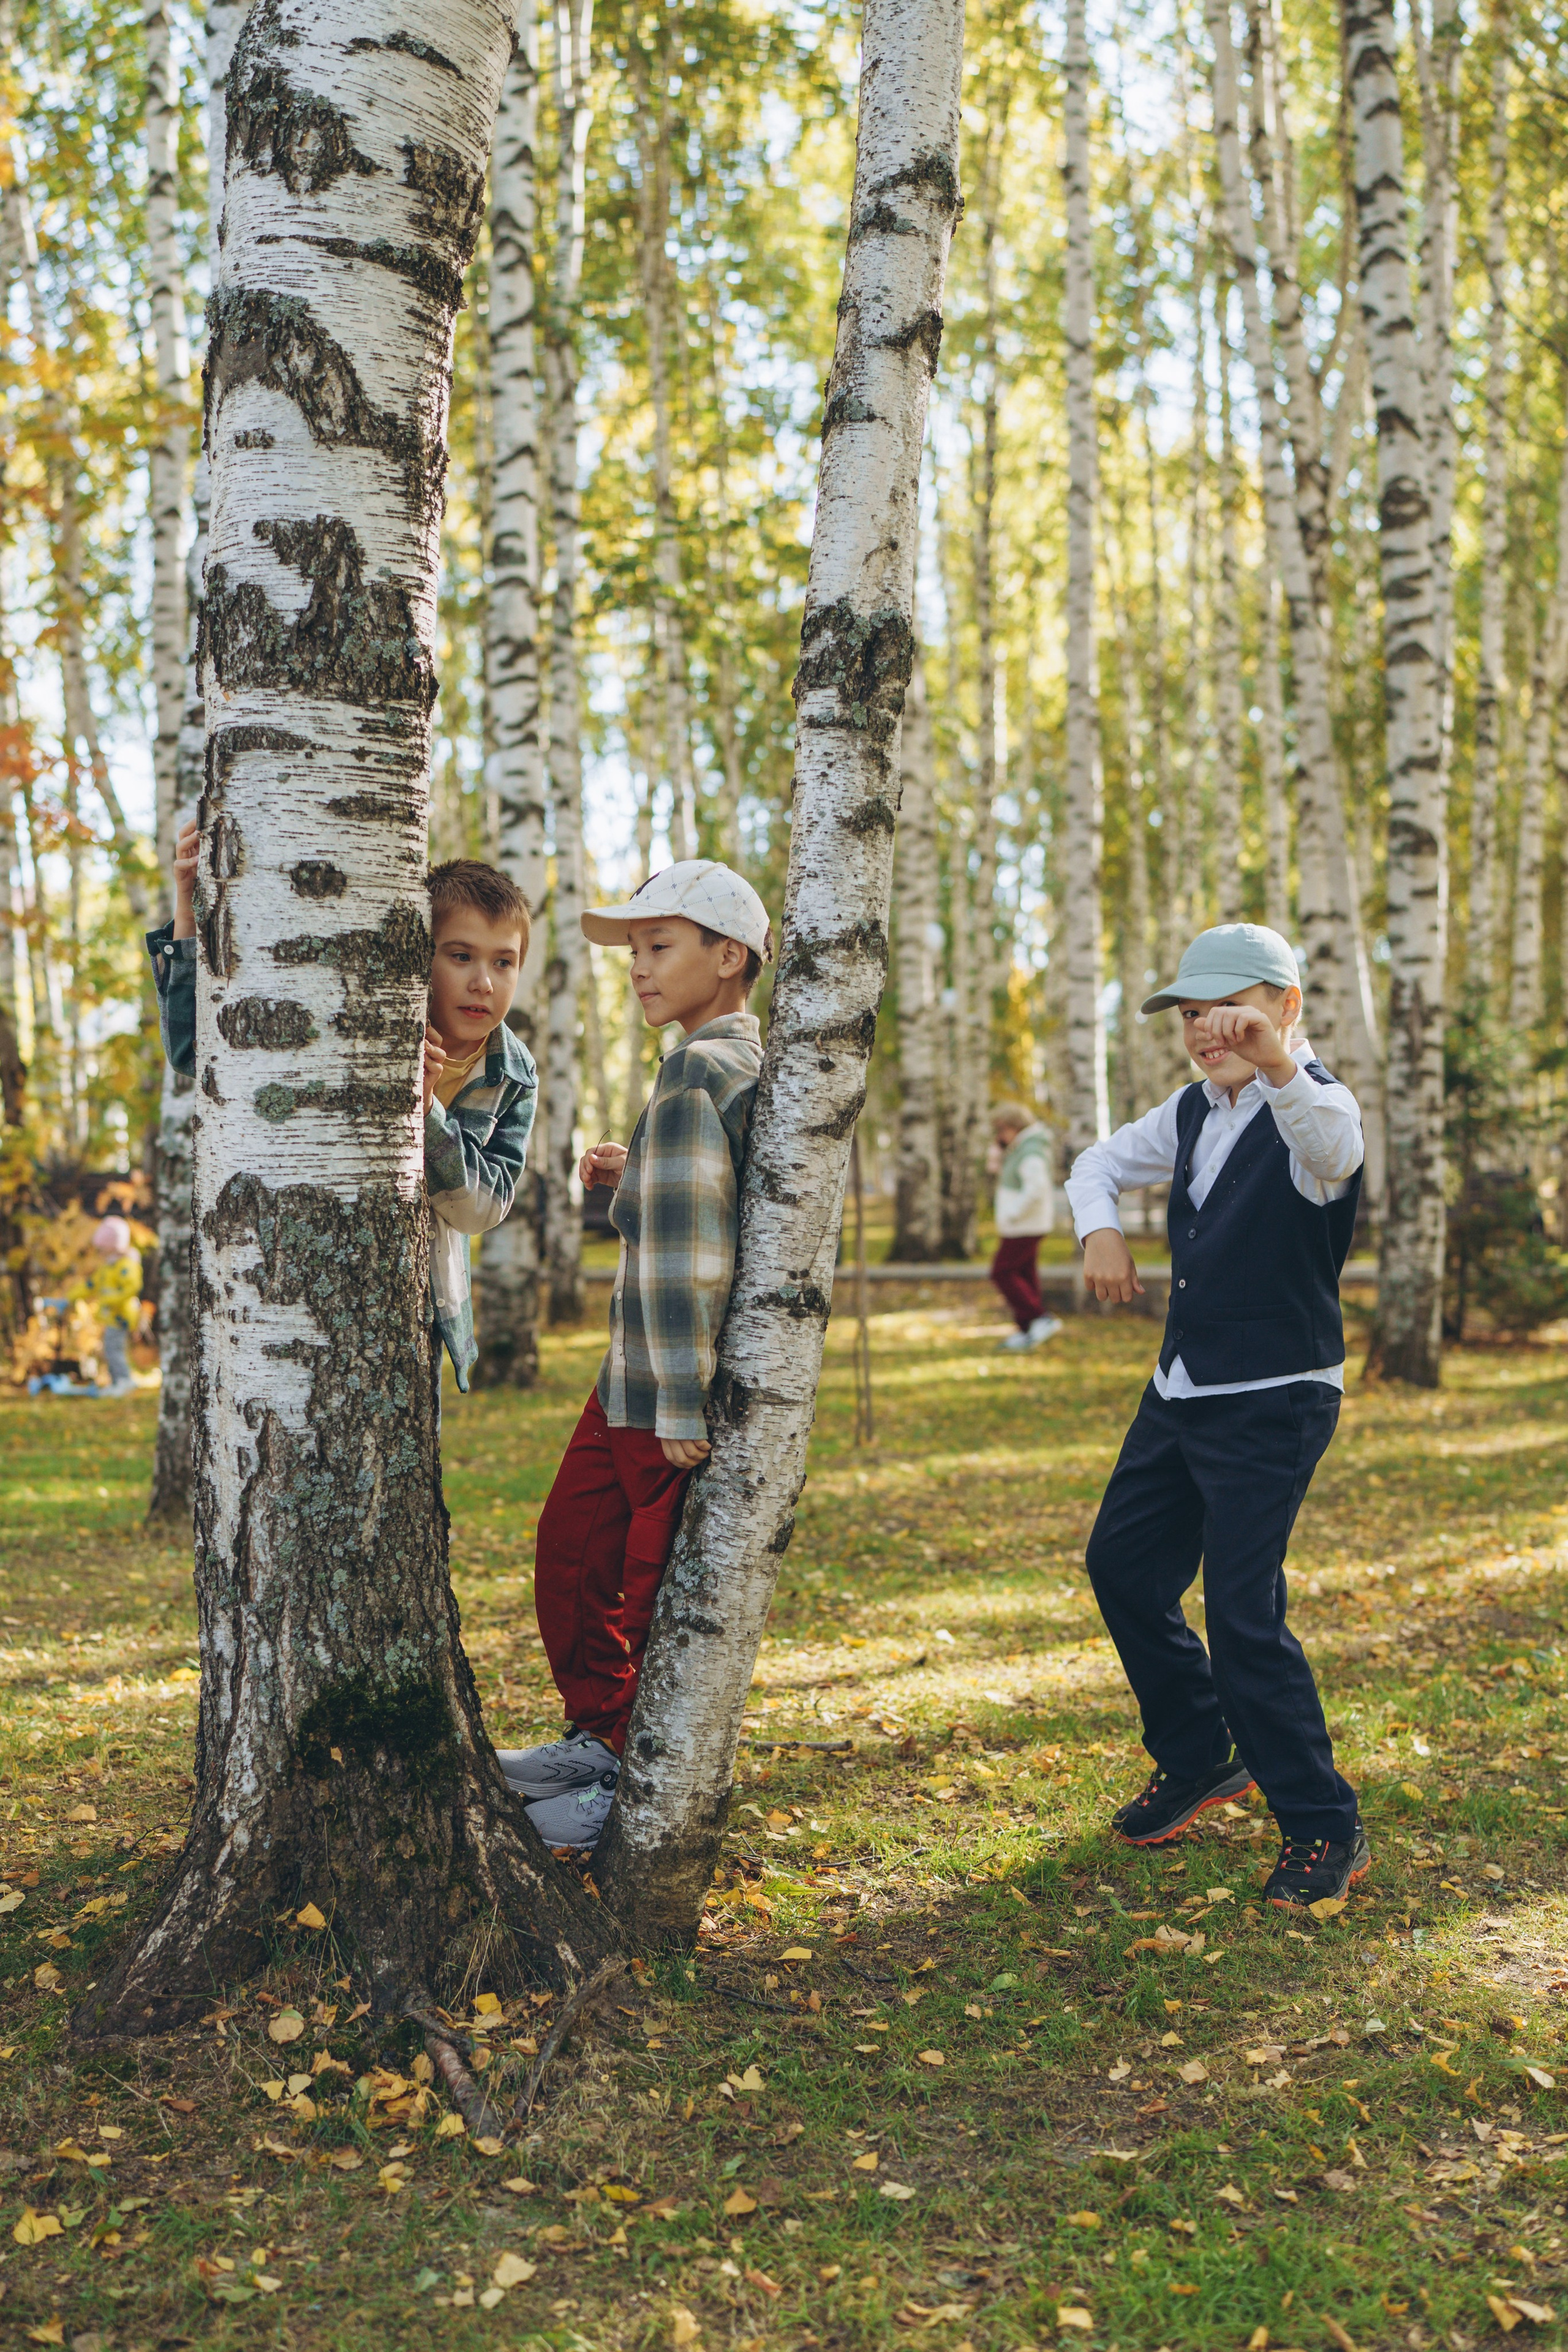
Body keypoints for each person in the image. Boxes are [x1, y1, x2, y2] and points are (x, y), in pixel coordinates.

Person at [1063, 921, 1369, 1910]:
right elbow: (1095, 1164)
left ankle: (1323, 1823)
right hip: (1182, 1388)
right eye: (1192, 1014)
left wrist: (1277, 1062)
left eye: (1229, 1011)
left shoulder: (1313, 1103)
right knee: (1121, 1564)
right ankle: (1200, 1754)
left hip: (1276, 1397)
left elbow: (1335, 1151)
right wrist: (1101, 1230)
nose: (1206, 1030)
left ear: (1285, 1007)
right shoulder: (1195, 1108)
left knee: (1241, 1614)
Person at [497, 859, 770, 1852]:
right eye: (634, 952)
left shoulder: (701, 1072)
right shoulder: (705, 1070)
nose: (639, 968)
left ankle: (636, 1782)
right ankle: (601, 1736)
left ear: (728, 957)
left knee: (648, 1591)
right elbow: (699, 1204)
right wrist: (637, 1170)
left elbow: (696, 1254)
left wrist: (687, 1403)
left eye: (660, 946)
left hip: (666, 1393)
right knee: (572, 1551)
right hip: (630, 1380)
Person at [147, 820, 537, 1398]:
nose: (484, 982)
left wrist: (423, 1109)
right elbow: (196, 1052)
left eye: (504, 962)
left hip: (413, 1311)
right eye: (461, 956)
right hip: (285, 1274)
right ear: (417, 955)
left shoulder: (514, 1072)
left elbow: (483, 1209)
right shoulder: (363, 1018)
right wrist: (188, 908)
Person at [987, 1101, 1061, 1352]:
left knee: (1002, 1272)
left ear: (1015, 1126)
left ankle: (1040, 1318)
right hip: (1024, 1224)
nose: (999, 1136)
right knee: (1025, 1273)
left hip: (1024, 1225)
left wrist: (1013, 1214)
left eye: (1001, 1129)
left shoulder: (1031, 1151)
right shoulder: (1021, 1148)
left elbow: (1036, 1188)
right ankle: (1027, 1328)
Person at [70, 1215, 142, 1395]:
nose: (100, 1251)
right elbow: (91, 1285)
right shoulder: (108, 1267)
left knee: (113, 1348)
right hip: (111, 1316)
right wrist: (71, 1296)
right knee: (110, 1349)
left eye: (103, 1247)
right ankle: (117, 1381)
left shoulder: (126, 1265)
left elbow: (132, 1287)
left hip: (121, 1315)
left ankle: (124, 1380)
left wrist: (110, 1299)